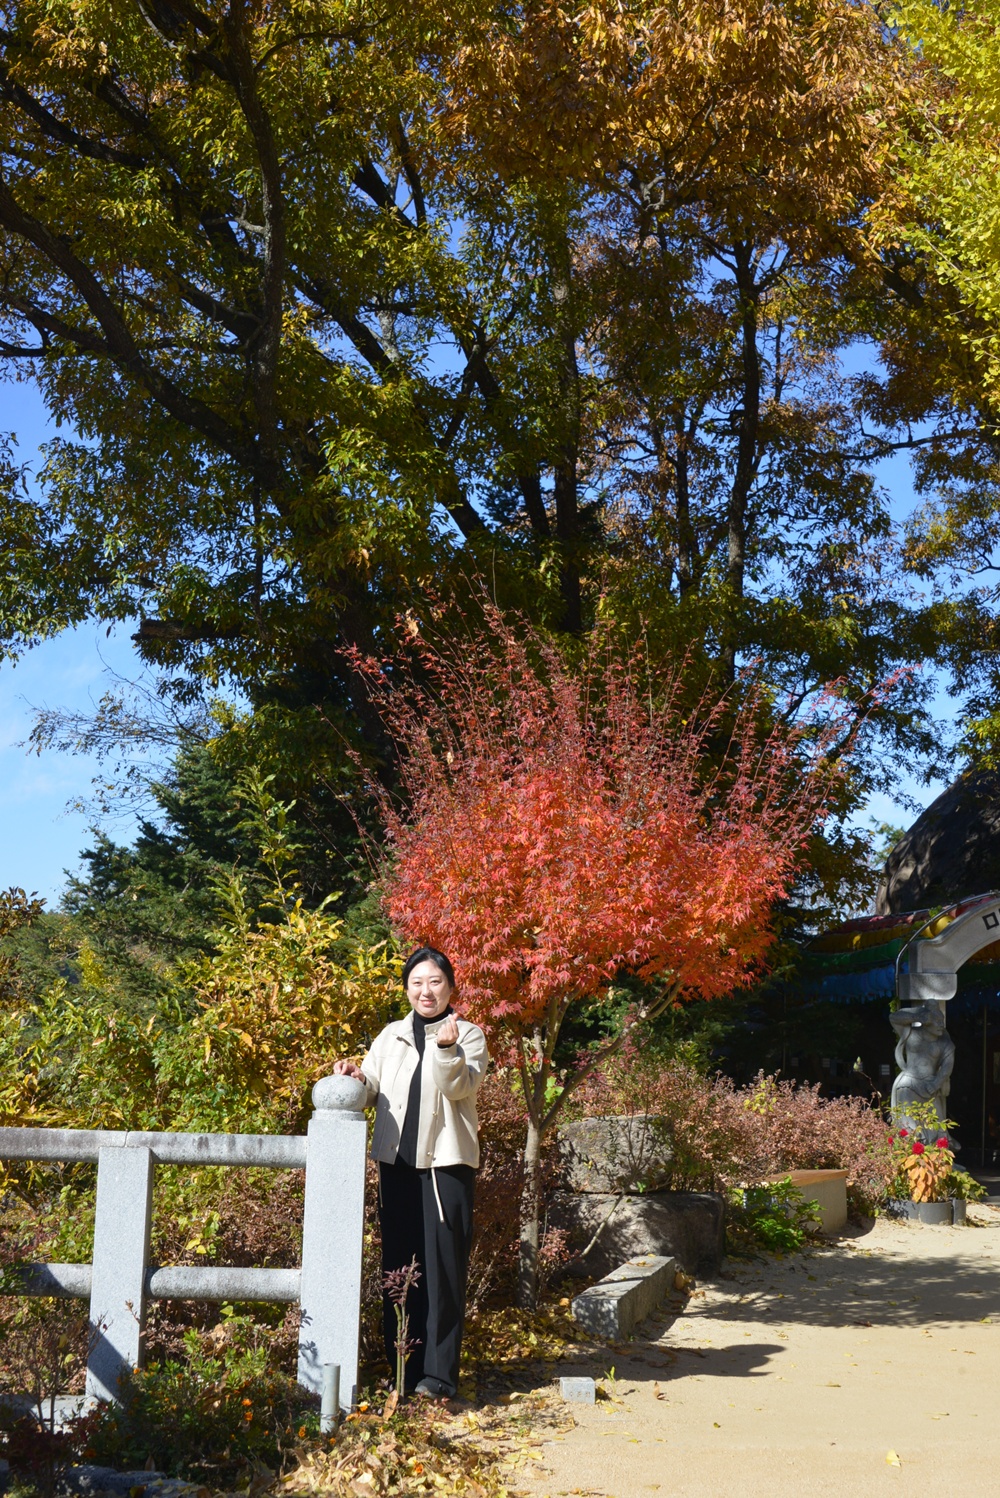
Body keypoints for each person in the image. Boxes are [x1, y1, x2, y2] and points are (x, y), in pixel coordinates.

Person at [333, 946, 489, 1399]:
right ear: (406, 989)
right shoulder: (391, 1036)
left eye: (435, 982)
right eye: (417, 983)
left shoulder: (469, 1035)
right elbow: (372, 1090)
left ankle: (438, 1378)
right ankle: (402, 1369)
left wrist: (445, 1048)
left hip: (445, 1169)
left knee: (442, 1273)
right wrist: (355, 1078)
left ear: (451, 987)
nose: (426, 991)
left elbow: (459, 1086)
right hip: (397, 1166)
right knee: (399, 1269)